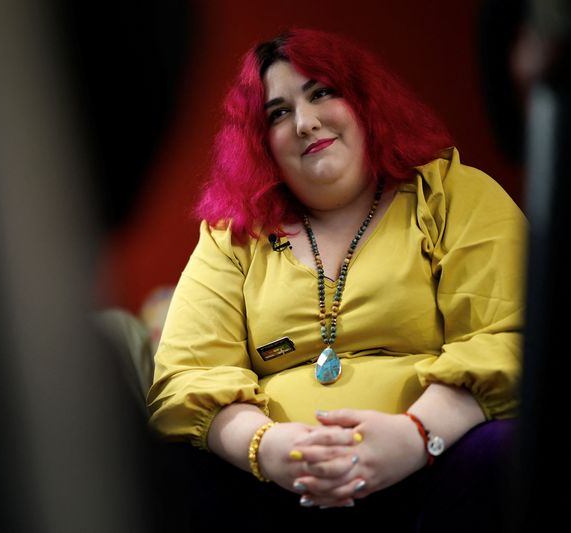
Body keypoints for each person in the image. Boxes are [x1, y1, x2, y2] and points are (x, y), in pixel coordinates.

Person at [146, 28, 526, 532]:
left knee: (504, 451)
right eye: (278, 113)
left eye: (322, 91)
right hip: (276, 490)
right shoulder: (232, 236)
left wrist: (415, 435)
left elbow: (514, 338)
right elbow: (186, 375)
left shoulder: (452, 194)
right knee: (171, 471)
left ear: (365, 103)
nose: (305, 122)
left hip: (434, 466)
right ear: (260, 141)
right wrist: (267, 446)